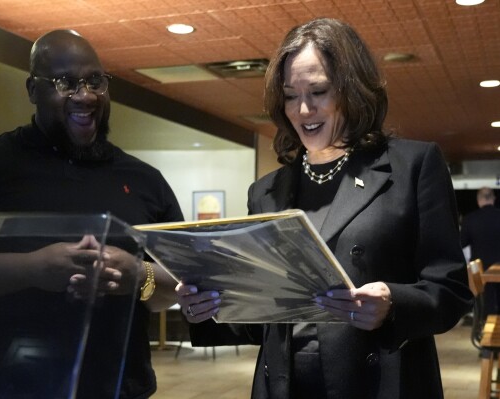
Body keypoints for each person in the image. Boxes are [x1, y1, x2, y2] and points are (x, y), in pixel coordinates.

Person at [175, 18, 472, 399]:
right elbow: (261, 321)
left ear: (353, 90)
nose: (302, 109)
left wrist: (392, 303)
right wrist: (210, 305)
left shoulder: (412, 166)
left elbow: (451, 292)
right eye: (289, 95)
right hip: (286, 385)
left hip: (380, 381)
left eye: (318, 91)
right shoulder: (266, 191)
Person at [0, 30, 183, 398]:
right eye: (65, 83)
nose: (85, 96)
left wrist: (138, 276)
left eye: (95, 81)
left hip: (116, 387)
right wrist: (34, 268)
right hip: (0, 387)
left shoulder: (146, 180)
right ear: (33, 90)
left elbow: (181, 283)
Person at [461, 187, 500, 315]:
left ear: (479, 201)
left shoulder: (470, 219)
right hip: (498, 269)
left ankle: (482, 324)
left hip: (478, 271)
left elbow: (461, 243)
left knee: (481, 304)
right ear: (493, 199)